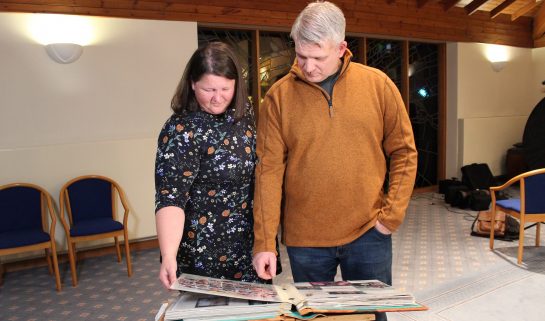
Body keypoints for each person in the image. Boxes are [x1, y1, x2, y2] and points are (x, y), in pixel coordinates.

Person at [252, 1, 417, 320]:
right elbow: (268, 174)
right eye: (301, 56)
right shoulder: (278, 97)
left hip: (369, 231)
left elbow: (404, 152)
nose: (308, 66)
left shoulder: (378, 85)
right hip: (306, 241)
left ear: (341, 48)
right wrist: (264, 242)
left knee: (372, 316)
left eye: (318, 57)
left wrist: (390, 217)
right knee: (317, 318)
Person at [154, 42, 261, 290]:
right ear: (192, 84)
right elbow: (171, 197)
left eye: (226, 88)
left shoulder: (245, 115)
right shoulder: (180, 129)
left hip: (248, 245)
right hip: (203, 250)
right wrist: (168, 254)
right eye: (208, 89)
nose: (217, 97)